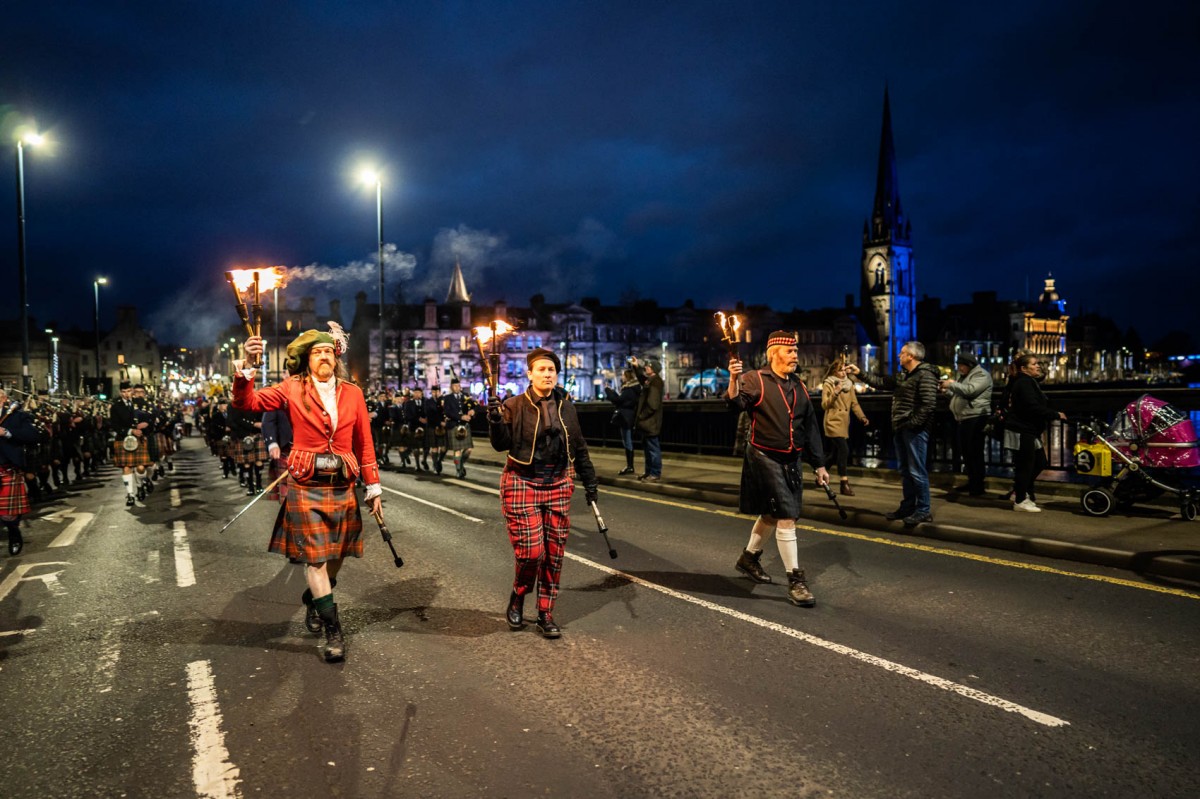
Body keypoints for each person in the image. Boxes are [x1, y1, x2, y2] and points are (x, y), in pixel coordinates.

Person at [234, 324, 382, 663]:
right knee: (314, 558)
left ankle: (316, 597)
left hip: (342, 483)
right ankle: (334, 631)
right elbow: (247, 402)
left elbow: (365, 443)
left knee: (338, 555)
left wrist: (373, 486)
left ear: (337, 357)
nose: (324, 356)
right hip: (305, 483)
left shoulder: (352, 393)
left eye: (329, 351)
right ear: (306, 359)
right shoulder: (291, 388)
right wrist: (248, 363)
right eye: (317, 352)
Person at [488, 347, 599, 639]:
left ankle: (545, 613)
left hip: (559, 482)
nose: (547, 374)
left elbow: (580, 447)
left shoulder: (567, 406)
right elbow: (501, 445)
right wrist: (495, 420)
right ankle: (518, 594)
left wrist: (590, 484)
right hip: (522, 481)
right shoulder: (513, 404)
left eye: (551, 370)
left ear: (556, 374)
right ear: (530, 374)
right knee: (531, 553)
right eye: (541, 369)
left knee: (554, 554)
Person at [727, 330, 829, 607]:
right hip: (764, 456)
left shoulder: (799, 385)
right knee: (786, 515)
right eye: (790, 351)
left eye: (796, 351)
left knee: (771, 515)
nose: (795, 355)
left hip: (792, 459)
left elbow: (810, 427)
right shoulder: (754, 379)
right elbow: (734, 404)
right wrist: (733, 378)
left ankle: (748, 558)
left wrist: (819, 464)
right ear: (774, 353)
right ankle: (796, 581)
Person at [847, 341, 940, 527]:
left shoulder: (926, 375)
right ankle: (908, 506)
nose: (899, 355)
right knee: (906, 471)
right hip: (901, 427)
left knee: (916, 470)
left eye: (902, 353)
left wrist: (912, 424)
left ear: (911, 356)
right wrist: (859, 374)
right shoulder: (904, 375)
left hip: (914, 430)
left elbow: (928, 404)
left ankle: (923, 510)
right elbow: (880, 382)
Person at [1004, 354, 1066, 512]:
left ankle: (1022, 491)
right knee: (1025, 465)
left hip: (1029, 429)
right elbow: (1031, 406)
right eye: (1034, 364)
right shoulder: (1024, 383)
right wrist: (1054, 414)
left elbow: (1041, 379)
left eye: (1038, 363)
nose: (1038, 366)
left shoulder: (1028, 381)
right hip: (1022, 428)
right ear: (1024, 369)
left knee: (1040, 462)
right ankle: (1019, 500)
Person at [940, 352, 993, 497]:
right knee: (967, 453)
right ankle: (972, 481)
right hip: (964, 418)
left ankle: (978, 486)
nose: (959, 368)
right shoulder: (964, 376)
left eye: (961, 366)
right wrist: (947, 392)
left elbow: (970, 391)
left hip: (976, 418)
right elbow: (959, 395)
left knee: (975, 452)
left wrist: (951, 384)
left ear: (969, 365)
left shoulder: (981, 375)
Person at [0, 387, 45, 555]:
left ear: (3, 399)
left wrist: (7, 432)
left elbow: (33, 436)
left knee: (8, 514)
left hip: (7, 467)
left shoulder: (16, 416)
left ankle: (13, 533)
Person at [821, 359, 869, 496]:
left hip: (844, 422)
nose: (843, 372)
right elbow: (824, 405)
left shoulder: (849, 384)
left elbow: (854, 403)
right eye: (840, 370)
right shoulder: (829, 383)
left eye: (844, 369)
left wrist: (862, 417)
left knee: (835, 454)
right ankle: (844, 484)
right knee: (844, 449)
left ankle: (820, 471)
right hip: (832, 421)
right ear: (834, 372)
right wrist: (835, 393)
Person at [110, 381, 154, 507]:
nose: (126, 394)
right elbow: (115, 425)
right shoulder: (116, 407)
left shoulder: (139, 404)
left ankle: (141, 485)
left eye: (128, 391)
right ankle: (130, 494)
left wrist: (146, 424)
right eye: (123, 392)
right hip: (123, 439)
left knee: (140, 468)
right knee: (127, 468)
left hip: (139, 439)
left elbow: (151, 416)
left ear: (132, 391)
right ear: (120, 392)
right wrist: (130, 430)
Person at [630, 356, 664, 482]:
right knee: (648, 449)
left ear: (654, 369)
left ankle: (655, 473)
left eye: (648, 366)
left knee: (653, 449)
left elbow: (653, 404)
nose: (646, 368)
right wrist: (636, 366)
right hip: (647, 422)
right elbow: (641, 378)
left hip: (650, 422)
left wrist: (641, 416)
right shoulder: (651, 380)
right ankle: (649, 472)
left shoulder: (656, 382)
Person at [604, 367, 641, 476]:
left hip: (626, 417)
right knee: (627, 441)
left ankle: (630, 466)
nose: (622, 377)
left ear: (627, 377)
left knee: (627, 441)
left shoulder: (629, 389)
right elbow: (620, 400)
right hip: (628, 417)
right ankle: (630, 465)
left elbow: (618, 401)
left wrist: (608, 391)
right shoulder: (632, 388)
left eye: (623, 375)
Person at [442, 377, 476, 479]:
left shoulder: (466, 397)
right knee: (457, 450)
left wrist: (473, 412)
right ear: (451, 387)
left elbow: (473, 407)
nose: (457, 387)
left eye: (458, 385)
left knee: (468, 450)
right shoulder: (447, 398)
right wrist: (460, 416)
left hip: (465, 426)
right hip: (454, 426)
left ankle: (461, 464)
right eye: (455, 386)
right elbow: (447, 412)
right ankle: (458, 470)